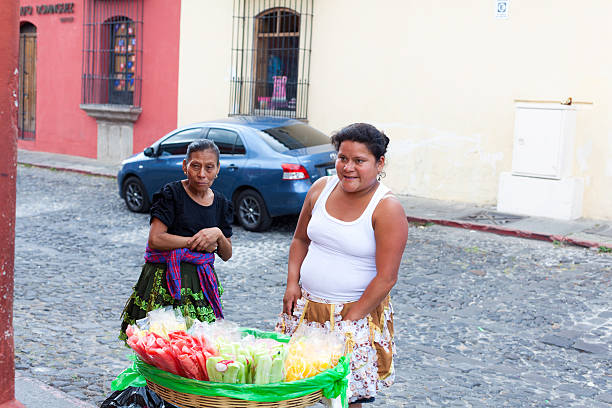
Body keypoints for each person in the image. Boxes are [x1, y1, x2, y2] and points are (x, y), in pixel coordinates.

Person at [276, 123, 408, 407]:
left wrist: (349, 322)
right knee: (292, 384)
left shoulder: (386, 208)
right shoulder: (320, 188)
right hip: (304, 308)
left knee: (343, 396)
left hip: (353, 315)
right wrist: (291, 284)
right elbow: (300, 240)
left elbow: (386, 277)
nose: (348, 167)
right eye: (342, 158)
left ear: (379, 162)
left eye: (359, 161)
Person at [120, 139, 233, 342]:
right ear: (184, 166)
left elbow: (227, 253)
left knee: (197, 347)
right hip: (164, 282)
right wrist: (194, 242)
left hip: (200, 286)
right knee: (160, 346)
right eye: (195, 166)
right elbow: (156, 240)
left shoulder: (222, 204)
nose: (201, 174)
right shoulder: (171, 195)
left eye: (209, 167)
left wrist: (216, 233)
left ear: (217, 169)